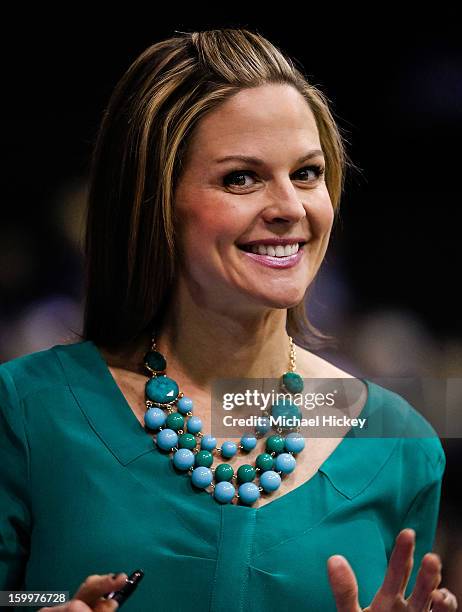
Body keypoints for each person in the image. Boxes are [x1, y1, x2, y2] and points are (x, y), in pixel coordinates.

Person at [0, 28, 457, 612]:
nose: (290, 207)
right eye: (241, 178)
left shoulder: (399, 440)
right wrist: (39, 604)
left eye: (307, 173)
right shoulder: (29, 409)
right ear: (153, 197)